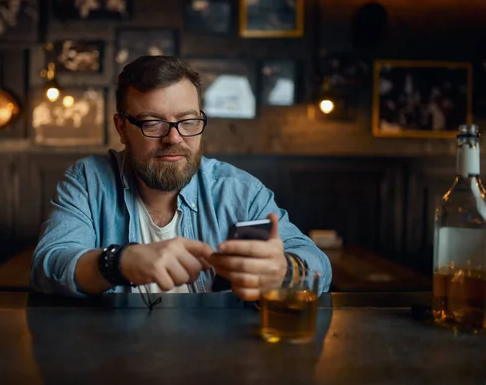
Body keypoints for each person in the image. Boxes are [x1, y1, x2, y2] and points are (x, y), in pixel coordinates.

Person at [30, 55, 332, 303]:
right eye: (152, 123)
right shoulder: (88, 180)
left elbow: (316, 262)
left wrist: (286, 270)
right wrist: (121, 262)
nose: (174, 138)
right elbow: (49, 265)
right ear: (121, 128)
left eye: (188, 121)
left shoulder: (240, 191)